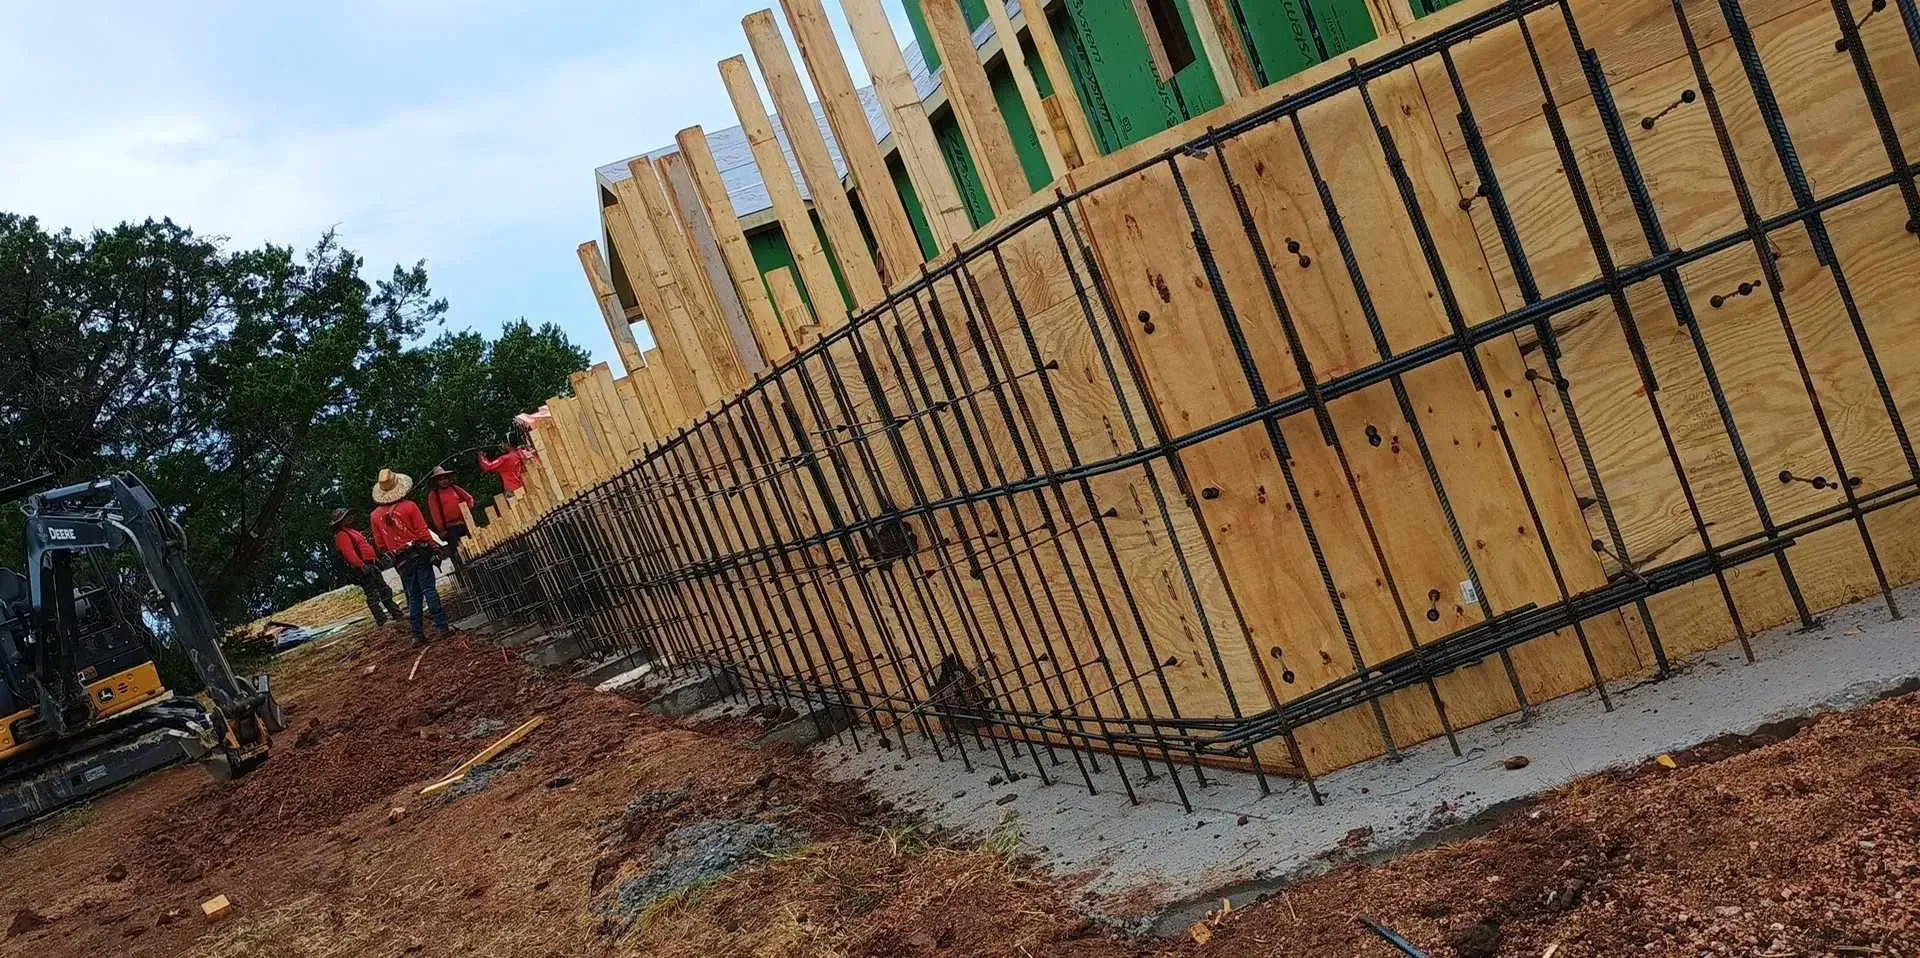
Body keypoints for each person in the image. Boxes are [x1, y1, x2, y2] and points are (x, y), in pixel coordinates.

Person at [370, 468, 449, 646]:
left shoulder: (375, 516)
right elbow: (423, 532)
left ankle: (417, 635)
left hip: (400, 561)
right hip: (418, 554)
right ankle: (442, 627)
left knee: (413, 596)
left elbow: (380, 545)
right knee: (429, 590)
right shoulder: (409, 506)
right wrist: (434, 548)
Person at [331, 508, 402, 627]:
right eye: (346, 516)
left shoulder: (351, 531)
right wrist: (361, 565)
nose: (350, 517)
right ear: (340, 521)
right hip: (363, 567)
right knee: (372, 594)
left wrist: (375, 560)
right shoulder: (341, 535)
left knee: (384, 590)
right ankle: (382, 620)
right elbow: (349, 553)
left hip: (370, 565)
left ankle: (396, 613)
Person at [424, 465, 475, 575]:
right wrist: (441, 529)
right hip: (450, 528)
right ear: (436, 482)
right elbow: (435, 514)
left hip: (464, 523)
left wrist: (467, 509)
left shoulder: (455, 488)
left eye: (445, 478)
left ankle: (475, 567)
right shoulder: (434, 495)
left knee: (472, 545)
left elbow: (469, 498)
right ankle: (465, 573)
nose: (444, 481)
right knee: (458, 551)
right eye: (441, 479)